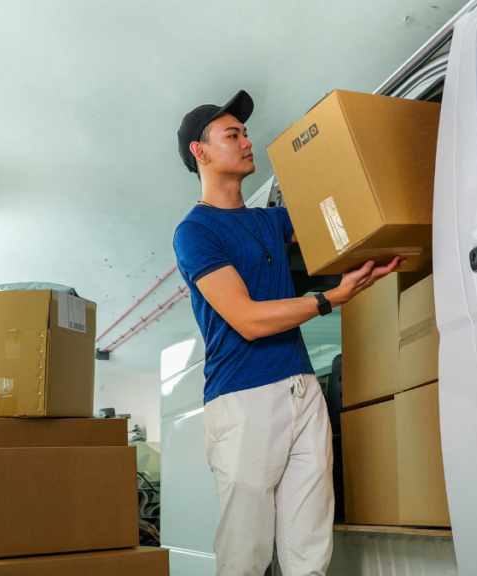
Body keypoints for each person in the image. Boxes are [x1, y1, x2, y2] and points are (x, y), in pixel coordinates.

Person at [172, 89, 403, 576]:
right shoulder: (195, 232)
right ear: (201, 151)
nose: (247, 141)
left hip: (302, 390)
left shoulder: (270, 221)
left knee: (310, 552)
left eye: (246, 133)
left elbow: (342, 215)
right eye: (232, 134)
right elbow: (248, 319)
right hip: (244, 399)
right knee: (246, 557)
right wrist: (329, 299)